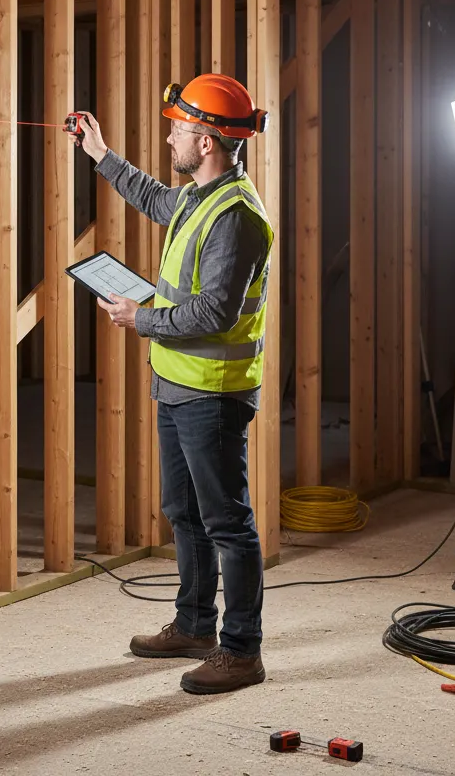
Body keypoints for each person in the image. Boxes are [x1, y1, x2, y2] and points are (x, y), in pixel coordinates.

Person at [70, 74, 274, 695]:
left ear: (207, 141)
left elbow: (215, 313)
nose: (169, 137)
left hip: (212, 391)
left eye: (179, 129)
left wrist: (141, 318)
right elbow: (157, 199)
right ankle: (194, 624)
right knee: (183, 511)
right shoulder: (197, 197)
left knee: (227, 523)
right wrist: (101, 155)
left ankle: (241, 652)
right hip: (177, 381)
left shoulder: (236, 218)